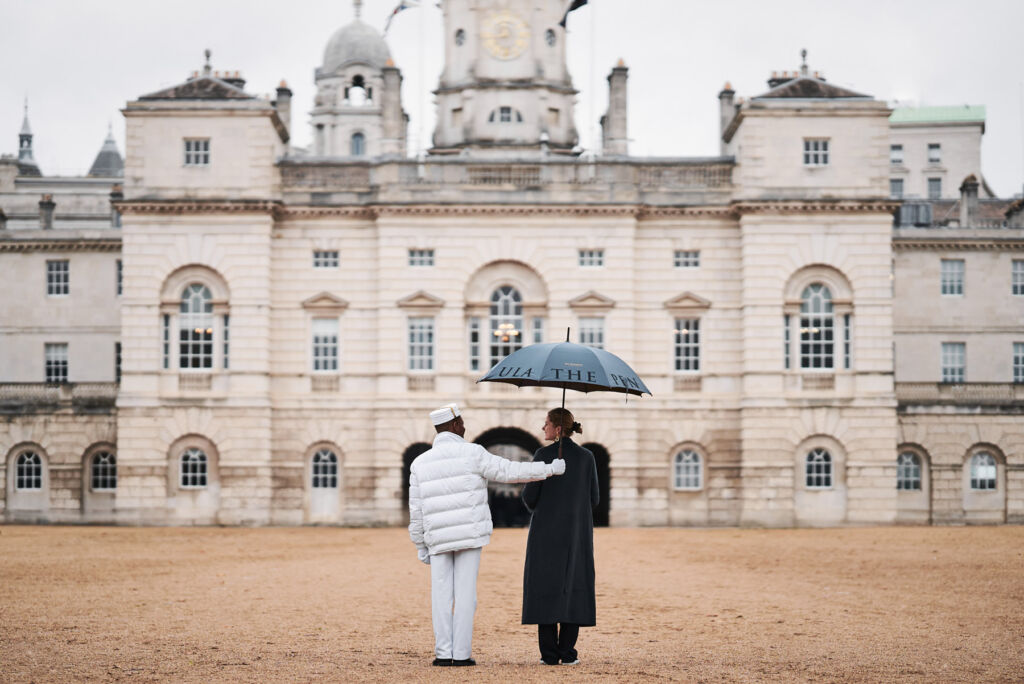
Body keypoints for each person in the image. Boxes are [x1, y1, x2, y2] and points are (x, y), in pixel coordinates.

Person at [408, 403, 565, 667]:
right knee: (466, 594)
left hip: (437, 539)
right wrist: (549, 469)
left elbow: (417, 510)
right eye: (462, 422)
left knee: (440, 596)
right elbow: (510, 472)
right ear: (455, 425)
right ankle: (461, 654)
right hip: (469, 535)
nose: (465, 426)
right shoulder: (473, 453)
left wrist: (420, 544)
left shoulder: (420, 463)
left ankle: (443, 654)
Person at [521, 407, 598, 666]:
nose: (543, 428)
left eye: (546, 423)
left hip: (545, 532)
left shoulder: (543, 455)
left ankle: (549, 655)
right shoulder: (587, 457)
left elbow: (529, 497)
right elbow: (595, 498)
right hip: (577, 533)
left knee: (545, 586)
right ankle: (568, 652)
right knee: (574, 586)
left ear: (557, 429)